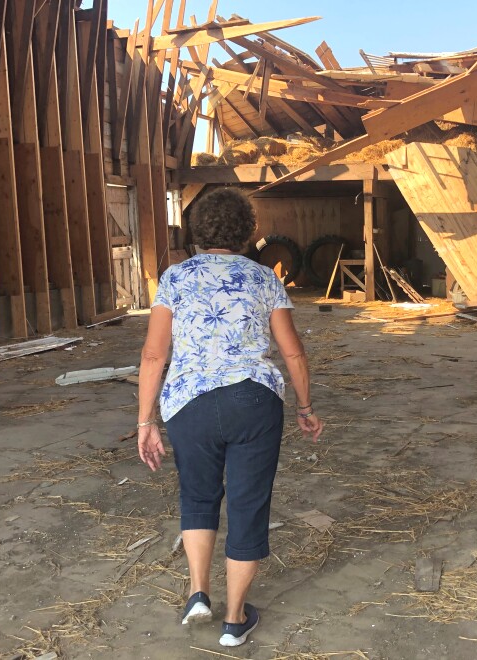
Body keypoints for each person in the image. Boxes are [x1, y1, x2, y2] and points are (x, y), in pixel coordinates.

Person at [136, 187, 324, 648]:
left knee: (198, 497)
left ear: (197, 230)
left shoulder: (175, 278)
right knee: (247, 504)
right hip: (253, 402)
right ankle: (235, 620)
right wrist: (304, 406)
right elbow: (293, 352)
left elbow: (154, 354)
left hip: (190, 405)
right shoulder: (264, 279)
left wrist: (146, 420)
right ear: (249, 231)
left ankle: (198, 593)